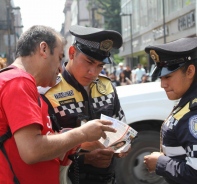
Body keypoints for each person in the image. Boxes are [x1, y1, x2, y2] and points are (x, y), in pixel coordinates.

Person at [0, 25, 116, 184]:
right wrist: (82, 134)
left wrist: (77, 143)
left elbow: (41, 144)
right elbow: (32, 150)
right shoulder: (18, 81)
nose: (60, 68)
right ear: (44, 49)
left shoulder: (18, 82)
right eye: (60, 57)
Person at [40, 25, 129, 184]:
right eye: (89, 62)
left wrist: (121, 147)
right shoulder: (48, 91)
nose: (93, 72)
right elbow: (40, 148)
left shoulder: (107, 86)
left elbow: (122, 129)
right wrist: (84, 159)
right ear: (72, 52)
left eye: (100, 65)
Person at [143, 37, 197, 184]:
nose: (163, 84)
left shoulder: (193, 116)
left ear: (190, 71)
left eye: (168, 76)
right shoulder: (188, 102)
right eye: (161, 77)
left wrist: (160, 163)